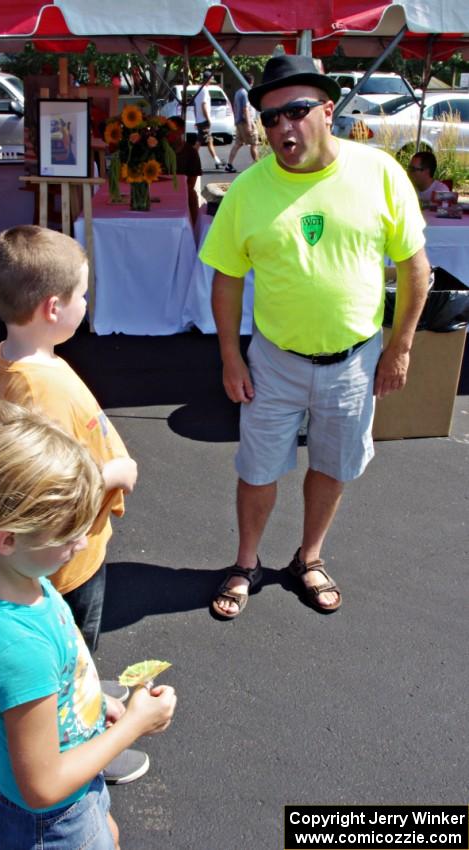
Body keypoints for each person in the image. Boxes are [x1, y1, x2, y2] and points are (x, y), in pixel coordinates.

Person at [199, 55, 430, 619]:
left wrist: (399, 348)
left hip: (355, 361)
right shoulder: (248, 190)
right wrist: (231, 356)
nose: (283, 128)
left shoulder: (378, 173)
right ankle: (247, 563)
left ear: (329, 110)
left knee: (332, 464)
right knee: (257, 469)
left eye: (297, 112)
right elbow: (227, 281)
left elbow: (415, 268)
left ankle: (310, 557)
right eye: (271, 118)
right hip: (274, 360)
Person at [0, 405, 177, 850]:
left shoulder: (8, 575)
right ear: (9, 537)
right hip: (53, 821)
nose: (83, 542)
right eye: (68, 534)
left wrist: (97, 703)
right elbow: (43, 787)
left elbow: (53, 679)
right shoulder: (18, 649)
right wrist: (134, 724)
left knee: (108, 833)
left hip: (62, 782)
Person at [0, 225, 148, 784]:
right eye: (83, 295)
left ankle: (79, 694)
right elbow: (50, 488)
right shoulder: (43, 386)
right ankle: (81, 736)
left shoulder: (4, 361)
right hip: (69, 561)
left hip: (55, 555)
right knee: (70, 647)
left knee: (70, 645)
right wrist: (114, 472)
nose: (86, 304)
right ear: (54, 307)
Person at [225, 73, 259, 173]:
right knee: (254, 143)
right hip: (245, 122)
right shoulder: (245, 93)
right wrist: (249, 125)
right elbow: (245, 109)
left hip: (239, 122)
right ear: (250, 82)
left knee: (238, 143)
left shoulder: (238, 92)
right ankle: (258, 165)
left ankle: (229, 164)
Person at [171, 115, 202, 224]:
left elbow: (191, 182)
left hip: (183, 192)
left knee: (192, 195)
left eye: (173, 129)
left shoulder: (191, 152)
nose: (170, 133)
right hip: (163, 192)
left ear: (182, 130)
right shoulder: (159, 150)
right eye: (167, 129)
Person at [193, 70, 224, 169]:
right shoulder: (204, 90)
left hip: (199, 120)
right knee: (204, 142)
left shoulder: (198, 90)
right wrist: (208, 119)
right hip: (204, 120)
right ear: (208, 79)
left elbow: (195, 106)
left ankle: (217, 160)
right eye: (211, 78)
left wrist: (196, 119)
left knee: (203, 141)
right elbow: (204, 105)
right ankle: (191, 161)